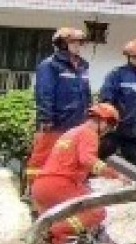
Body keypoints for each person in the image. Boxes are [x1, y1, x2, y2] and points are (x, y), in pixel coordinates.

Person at [30, 103, 124, 244]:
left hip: (41, 187)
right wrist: (115, 174)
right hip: (60, 184)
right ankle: (52, 231)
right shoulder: (89, 133)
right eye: (110, 125)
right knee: (96, 211)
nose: (108, 130)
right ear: (103, 120)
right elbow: (87, 159)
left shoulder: (72, 132)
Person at [26, 27, 92, 182]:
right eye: (73, 42)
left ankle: (66, 187)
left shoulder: (82, 66)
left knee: (70, 158)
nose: (78, 46)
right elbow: (44, 93)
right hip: (55, 123)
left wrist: (89, 115)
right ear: (62, 44)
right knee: (44, 157)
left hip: (77, 122)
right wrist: (46, 118)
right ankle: (35, 188)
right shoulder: (49, 65)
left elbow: (86, 93)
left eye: (79, 42)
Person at [98, 40, 136, 165]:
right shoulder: (116, 74)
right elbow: (106, 100)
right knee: (104, 163)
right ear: (128, 57)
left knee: (134, 166)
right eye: (134, 57)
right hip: (116, 130)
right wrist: (109, 121)